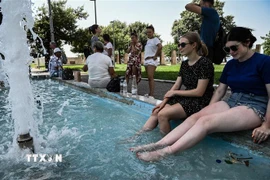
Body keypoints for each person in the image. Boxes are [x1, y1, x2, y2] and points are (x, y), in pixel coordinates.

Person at [130, 27, 270, 162]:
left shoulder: (264, 62)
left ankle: (165, 152)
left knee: (205, 122)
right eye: (227, 49)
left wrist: (266, 125)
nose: (231, 52)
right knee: (195, 117)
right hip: (232, 101)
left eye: (234, 48)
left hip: (254, 105)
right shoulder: (231, 65)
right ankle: (157, 144)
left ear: (247, 42)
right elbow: (221, 91)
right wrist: (207, 110)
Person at [136, 32, 214, 135]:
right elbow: (176, 85)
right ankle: (137, 137)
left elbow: (199, 92)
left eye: (183, 44)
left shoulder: (204, 63)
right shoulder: (184, 64)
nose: (179, 47)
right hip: (187, 97)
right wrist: (163, 103)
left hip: (201, 100)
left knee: (163, 115)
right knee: (156, 112)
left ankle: (164, 145)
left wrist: (175, 93)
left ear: (194, 45)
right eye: (178, 45)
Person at [144, 25, 162, 97]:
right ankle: (150, 93)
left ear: (153, 32)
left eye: (150, 32)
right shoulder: (148, 41)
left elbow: (160, 46)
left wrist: (156, 55)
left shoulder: (155, 39)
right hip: (146, 60)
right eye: (147, 32)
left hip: (151, 60)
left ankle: (151, 95)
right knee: (149, 78)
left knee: (150, 77)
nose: (148, 33)